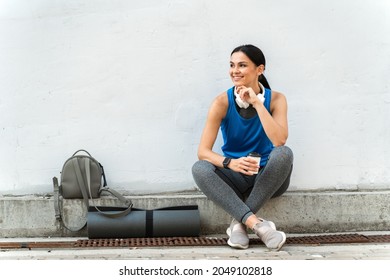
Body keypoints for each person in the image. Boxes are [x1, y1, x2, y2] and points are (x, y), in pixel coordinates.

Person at [192, 44, 293, 250]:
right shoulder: (221, 102)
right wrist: (231, 163)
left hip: (268, 177)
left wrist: (257, 103)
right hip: (235, 175)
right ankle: (257, 225)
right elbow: (203, 151)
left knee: (284, 153)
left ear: (260, 69)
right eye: (232, 65)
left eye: (242, 65)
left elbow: (279, 140)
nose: (235, 71)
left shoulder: (276, 100)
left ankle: (238, 223)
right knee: (199, 168)